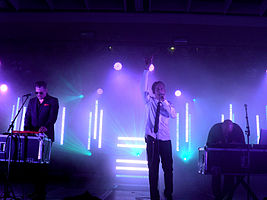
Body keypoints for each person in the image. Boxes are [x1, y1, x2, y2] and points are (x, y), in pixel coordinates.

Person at [142, 58, 176, 200]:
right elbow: (142, 87)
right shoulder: (149, 102)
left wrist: (165, 102)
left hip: (165, 140)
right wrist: (146, 70)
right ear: (154, 91)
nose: (161, 91)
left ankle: (168, 193)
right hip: (152, 139)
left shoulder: (168, 104)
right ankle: (154, 196)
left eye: (163, 88)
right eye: (158, 89)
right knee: (153, 169)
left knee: (168, 169)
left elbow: (173, 115)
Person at [24, 81, 59, 200]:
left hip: (46, 136)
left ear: (46, 90)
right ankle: (35, 191)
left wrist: (46, 127)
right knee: (34, 166)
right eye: (36, 92)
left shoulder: (53, 101)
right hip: (33, 136)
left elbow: (53, 117)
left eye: (41, 92)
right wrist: (26, 131)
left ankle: (42, 192)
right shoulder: (32, 101)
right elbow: (27, 116)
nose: (38, 94)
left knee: (43, 166)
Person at [206, 119, 245, 200]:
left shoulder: (237, 130)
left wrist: (235, 144)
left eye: (229, 132)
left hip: (232, 160)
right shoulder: (215, 130)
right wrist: (212, 163)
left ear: (232, 128)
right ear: (222, 127)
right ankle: (217, 196)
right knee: (216, 177)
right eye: (225, 132)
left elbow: (243, 145)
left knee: (230, 178)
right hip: (216, 160)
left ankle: (226, 197)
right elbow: (209, 145)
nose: (226, 134)